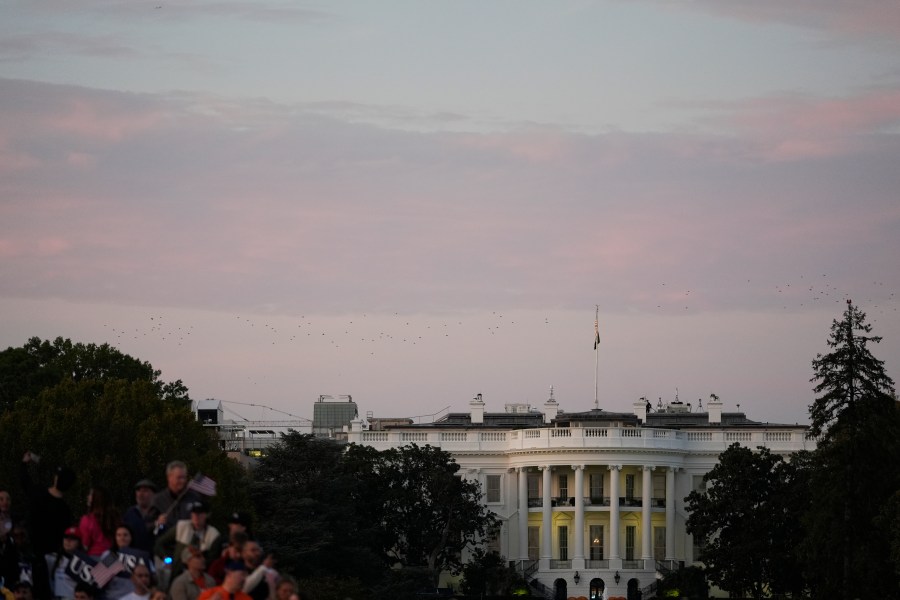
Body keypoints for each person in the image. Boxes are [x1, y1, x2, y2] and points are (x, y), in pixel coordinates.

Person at [19, 452, 75, 600]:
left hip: (34, 554)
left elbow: (25, 482)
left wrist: (24, 464)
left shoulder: (39, 493)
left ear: (56, 478)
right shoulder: (64, 510)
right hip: (52, 557)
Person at [154, 503, 219, 581]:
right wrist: (166, 559)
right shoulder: (182, 526)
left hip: (199, 577)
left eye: (200, 513)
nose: (196, 516)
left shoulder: (213, 535)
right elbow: (159, 543)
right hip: (177, 574)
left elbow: (212, 560)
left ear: (206, 515)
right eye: (194, 513)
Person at [150, 464, 201, 534]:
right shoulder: (158, 500)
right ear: (169, 477)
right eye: (179, 478)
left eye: (184, 477)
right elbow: (148, 528)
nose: (182, 481)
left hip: (189, 542)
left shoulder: (194, 498)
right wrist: (158, 524)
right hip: (164, 542)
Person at [79, 487, 119, 558]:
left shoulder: (87, 519)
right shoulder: (115, 517)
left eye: (91, 495)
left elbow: (84, 544)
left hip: (93, 558)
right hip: (112, 558)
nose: (88, 497)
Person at [45, 526, 81, 600]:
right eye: (66, 537)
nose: (68, 541)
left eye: (73, 538)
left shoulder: (85, 562)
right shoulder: (52, 558)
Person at [123, 481, 157, 554]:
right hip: (133, 555)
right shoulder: (130, 513)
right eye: (138, 491)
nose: (141, 494)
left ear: (153, 494)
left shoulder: (159, 513)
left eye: (145, 491)